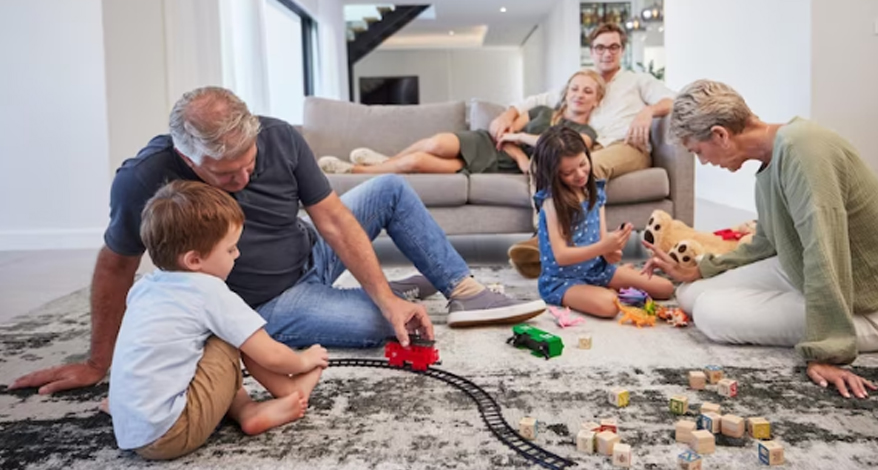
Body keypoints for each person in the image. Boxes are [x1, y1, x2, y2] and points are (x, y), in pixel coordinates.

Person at [10, 86, 545, 395]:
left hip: (310, 250)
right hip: (269, 303)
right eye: (227, 175)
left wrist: (379, 293)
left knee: (388, 189)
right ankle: (392, 293)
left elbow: (334, 219)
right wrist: (98, 362)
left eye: (250, 164)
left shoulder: (280, 136)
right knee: (383, 327)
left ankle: (459, 288)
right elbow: (115, 266)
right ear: (190, 159)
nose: (243, 179)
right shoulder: (144, 180)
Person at [641, 79, 878, 399]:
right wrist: (703, 268)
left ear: (720, 134)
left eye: (699, 152)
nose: (704, 161)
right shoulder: (771, 157)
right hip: (806, 268)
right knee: (691, 293)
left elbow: (824, 249)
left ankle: (833, 327)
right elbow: (766, 241)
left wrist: (827, 351)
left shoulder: (803, 151)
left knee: (708, 313)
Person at [103, 180, 329, 459]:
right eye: (231, 249)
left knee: (210, 335)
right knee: (232, 336)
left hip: (130, 428)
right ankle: (285, 391)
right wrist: (304, 360)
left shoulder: (145, 286)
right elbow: (269, 354)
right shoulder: (208, 292)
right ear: (194, 261)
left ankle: (243, 408)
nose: (238, 254)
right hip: (174, 432)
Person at [504, 23, 677, 277]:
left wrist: (647, 112)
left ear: (622, 50)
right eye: (600, 47)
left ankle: (572, 247)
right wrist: (509, 113)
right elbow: (538, 101)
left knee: (588, 168)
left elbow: (672, 99)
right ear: (592, 51)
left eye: (613, 47)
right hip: (589, 147)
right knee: (550, 164)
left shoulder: (637, 80)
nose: (607, 53)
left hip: (626, 147)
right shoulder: (585, 83)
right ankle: (546, 234)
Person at [317, 69, 605, 176]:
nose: (579, 95)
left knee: (417, 162)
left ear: (596, 100)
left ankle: (354, 170)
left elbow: (569, 152)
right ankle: (385, 159)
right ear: (567, 92)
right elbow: (506, 135)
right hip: (490, 145)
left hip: (496, 165)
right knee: (435, 142)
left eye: (587, 91)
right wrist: (518, 148)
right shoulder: (542, 111)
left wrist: (520, 143)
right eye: (575, 88)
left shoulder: (585, 132)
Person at [532, 126, 673, 317]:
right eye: (568, 172)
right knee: (610, 306)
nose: (580, 175)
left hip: (598, 271)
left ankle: (607, 285)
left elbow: (603, 244)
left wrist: (612, 251)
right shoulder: (552, 203)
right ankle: (601, 291)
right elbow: (561, 256)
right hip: (562, 280)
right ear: (554, 174)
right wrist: (603, 247)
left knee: (665, 288)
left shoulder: (595, 192)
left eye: (583, 164)